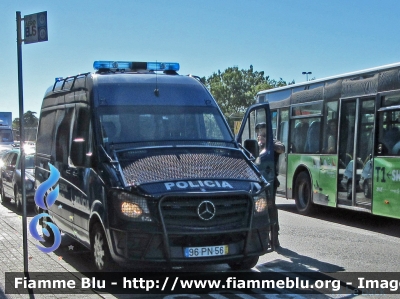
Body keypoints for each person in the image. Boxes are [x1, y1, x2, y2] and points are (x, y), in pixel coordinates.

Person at [255, 122, 285, 248]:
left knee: (271, 208)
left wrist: (267, 142)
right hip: (257, 181)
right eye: (259, 131)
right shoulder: (257, 144)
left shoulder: (272, 142)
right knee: (260, 209)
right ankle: (262, 237)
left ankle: (274, 237)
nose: (260, 133)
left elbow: (281, 148)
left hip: (270, 180)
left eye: (262, 130)